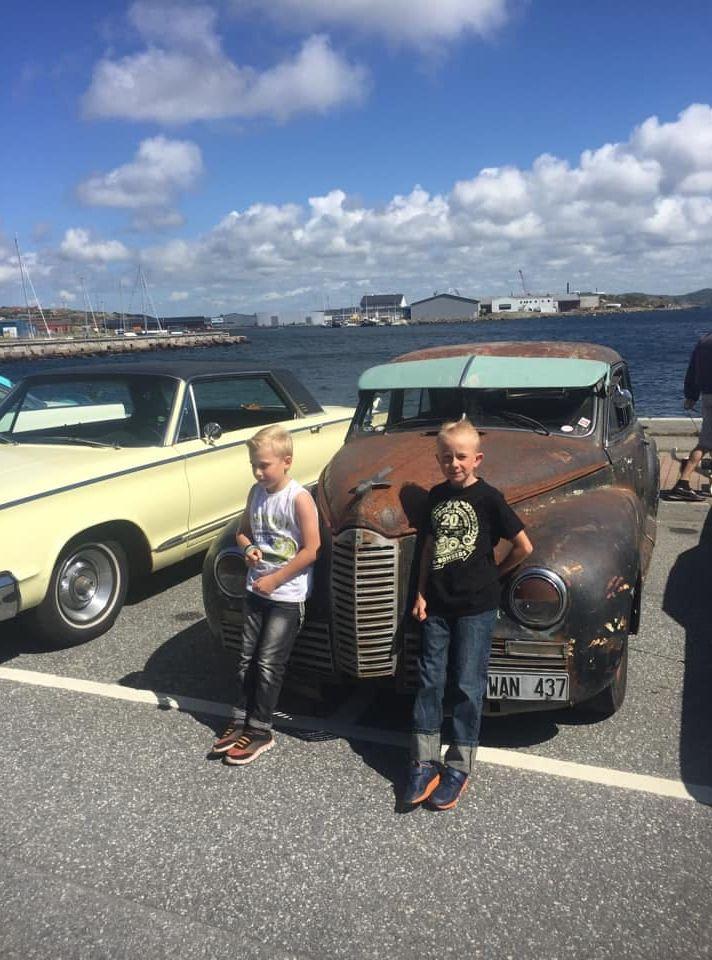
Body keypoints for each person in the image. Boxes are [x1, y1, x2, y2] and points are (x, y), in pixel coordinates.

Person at [404, 419, 533, 810]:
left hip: (477, 607)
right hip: (437, 605)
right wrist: (420, 593)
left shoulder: (489, 498)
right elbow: (428, 548)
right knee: (429, 680)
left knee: (466, 684)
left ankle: (459, 765)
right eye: (446, 457)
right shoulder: (436, 496)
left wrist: (495, 575)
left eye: (461, 456)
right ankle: (424, 761)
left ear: (477, 458)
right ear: (438, 459)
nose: (453, 463)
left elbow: (524, 546)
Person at [211, 425, 320, 765]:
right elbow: (243, 533)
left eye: (264, 465)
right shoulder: (255, 493)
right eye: (254, 465)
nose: (258, 472)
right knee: (246, 658)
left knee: (269, 662)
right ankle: (240, 719)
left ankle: (260, 729)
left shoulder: (298, 498)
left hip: (286, 596)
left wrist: (276, 580)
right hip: (256, 591)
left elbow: (312, 549)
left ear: (287, 461)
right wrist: (248, 549)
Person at [668, 332, 712, 502]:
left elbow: (693, 370)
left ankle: (684, 483)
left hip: (707, 396)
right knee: (705, 444)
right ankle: (682, 483)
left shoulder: (703, 341)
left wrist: (691, 396)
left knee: (707, 441)